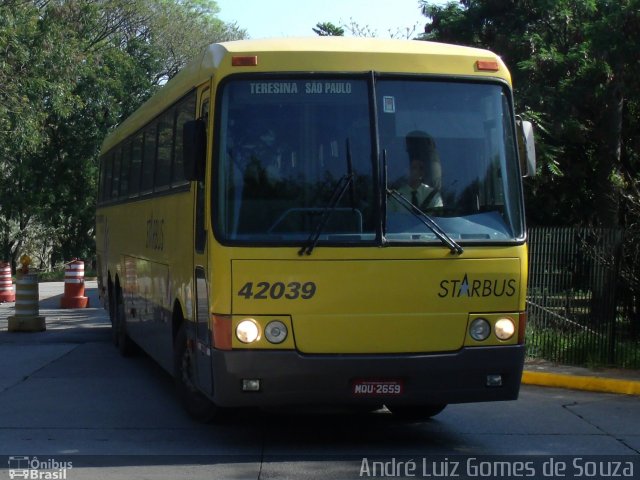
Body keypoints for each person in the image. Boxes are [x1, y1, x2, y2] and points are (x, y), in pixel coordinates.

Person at [391, 130, 443, 211]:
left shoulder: (433, 196)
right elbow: (387, 219)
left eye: (421, 168)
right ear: (407, 170)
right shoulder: (395, 197)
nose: (417, 171)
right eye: (413, 167)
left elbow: (438, 219)